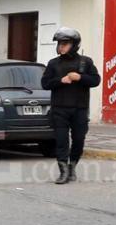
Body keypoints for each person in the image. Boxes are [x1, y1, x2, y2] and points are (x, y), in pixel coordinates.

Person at [41, 27, 101, 184]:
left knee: (79, 140)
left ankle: (72, 166)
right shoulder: (53, 64)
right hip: (59, 109)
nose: (61, 46)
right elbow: (45, 84)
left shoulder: (85, 62)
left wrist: (80, 77)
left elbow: (96, 80)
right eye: (60, 43)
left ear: (74, 45)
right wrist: (60, 81)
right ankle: (63, 172)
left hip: (80, 109)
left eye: (65, 43)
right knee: (61, 142)